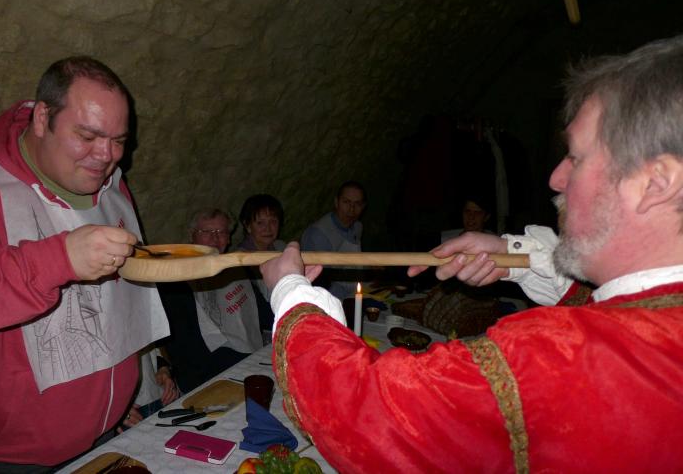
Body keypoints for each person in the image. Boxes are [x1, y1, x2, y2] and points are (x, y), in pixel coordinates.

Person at [260, 35, 683, 472]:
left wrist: (291, 293)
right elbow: (605, 307)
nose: (556, 179)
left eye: (576, 157)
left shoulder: (557, 355)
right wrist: (516, 257)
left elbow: (369, 415)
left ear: (657, 182)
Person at [0, 57, 171, 470]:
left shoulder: (110, 184)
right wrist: (60, 259)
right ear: (42, 118)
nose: (107, 155)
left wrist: (107, 402)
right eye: (88, 135)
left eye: (119, 140)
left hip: (98, 437)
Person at [157, 208, 271, 392]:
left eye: (221, 232)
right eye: (207, 232)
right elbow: (182, 347)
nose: (215, 238)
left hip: (248, 358)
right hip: (206, 375)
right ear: (192, 236)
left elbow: (264, 314)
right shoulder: (174, 280)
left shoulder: (237, 268)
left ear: (229, 238)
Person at [300, 181, 366, 298]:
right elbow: (317, 282)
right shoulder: (318, 234)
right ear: (336, 202)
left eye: (357, 204)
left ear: (363, 206)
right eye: (346, 202)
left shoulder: (357, 227)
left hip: (353, 291)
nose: (352, 209)